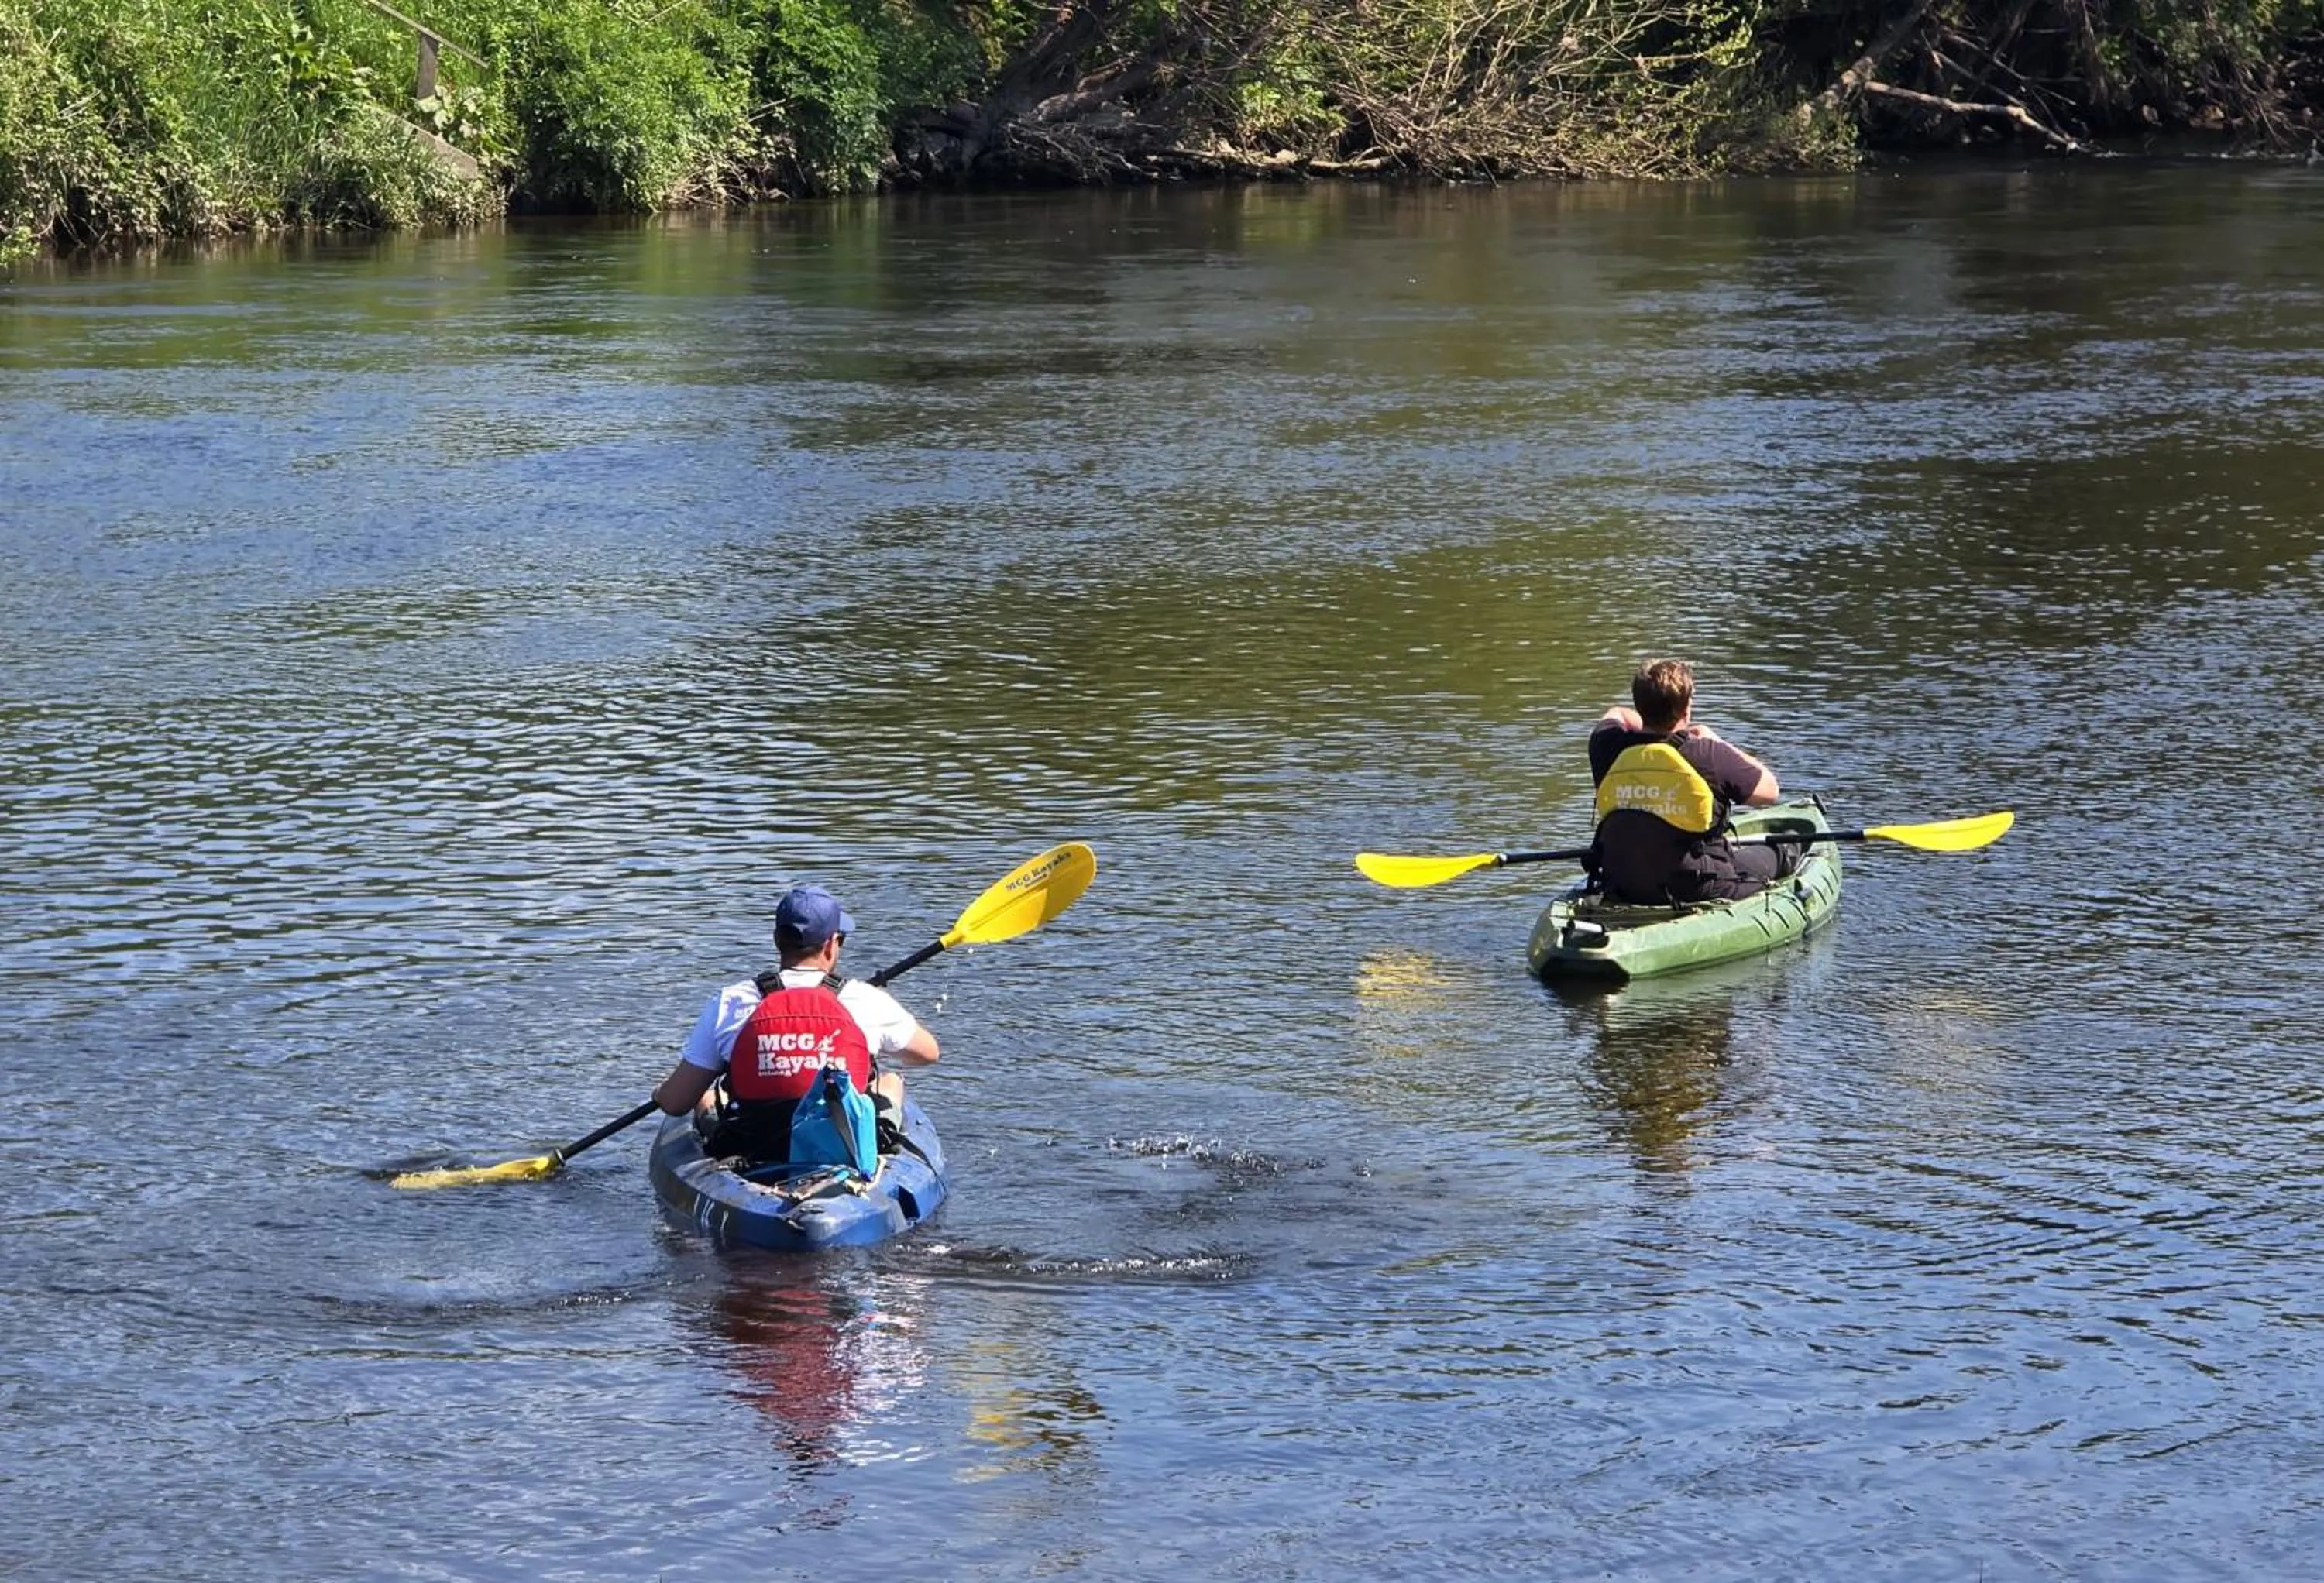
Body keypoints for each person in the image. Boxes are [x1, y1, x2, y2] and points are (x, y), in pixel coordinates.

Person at [652, 884, 940, 1164]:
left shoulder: (731, 1002)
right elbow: (929, 1053)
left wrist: (660, 1093)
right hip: (843, 1146)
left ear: (778, 940)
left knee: (705, 1096)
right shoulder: (864, 999)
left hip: (753, 1148)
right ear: (831, 945)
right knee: (890, 1081)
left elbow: (676, 1103)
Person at [1585, 658, 1800, 905]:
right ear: (1686, 709)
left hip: (1622, 880)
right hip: (1696, 885)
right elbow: (1770, 790)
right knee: (1785, 845)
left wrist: (1650, 715)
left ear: (1639, 703)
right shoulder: (1707, 754)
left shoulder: (1607, 745)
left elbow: (1616, 713)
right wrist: (1715, 740)